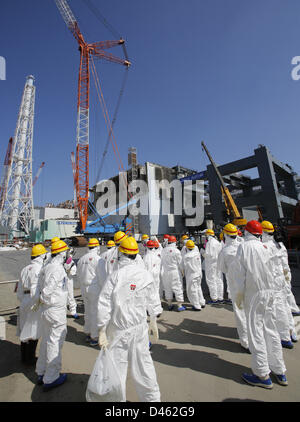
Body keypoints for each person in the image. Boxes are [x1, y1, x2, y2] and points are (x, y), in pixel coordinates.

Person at [96, 236, 162, 402]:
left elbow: (104, 304)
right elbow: (153, 300)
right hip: (140, 330)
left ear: (121, 254)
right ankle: (152, 402)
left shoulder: (115, 277)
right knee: (144, 368)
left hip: (118, 331)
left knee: (117, 370)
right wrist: (153, 320)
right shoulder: (145, 275)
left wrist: (101, 329)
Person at [233, 220, 288, 389]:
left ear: (247, 232)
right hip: (270, 293)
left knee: (255, 332)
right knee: (271, 330)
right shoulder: (268, 246)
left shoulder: (244, 247)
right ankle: (279, 371)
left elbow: (239, 275)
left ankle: (262, 374)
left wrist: (239, 296)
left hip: (254, 294)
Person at [34, 240, 70, 391]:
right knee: (55, 342)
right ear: (61, 253)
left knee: (46, 341)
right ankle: (52, 377)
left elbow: (41, 288)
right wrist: (46, 300)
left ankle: (41, 372)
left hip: (46, 310)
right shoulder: (57, 269)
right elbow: (48, 290)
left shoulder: (47, 267)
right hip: (55, 310)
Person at [261, 221, 297, 347]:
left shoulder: (265, 246)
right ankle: (291, 331)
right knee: (285, 305)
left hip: (274, 280)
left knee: (278, 308)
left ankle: (284, 337)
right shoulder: (279, 244)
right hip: (282, 278)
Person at [217, 224, 249, 352]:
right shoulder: (244, 246)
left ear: (225, 234)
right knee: (252, 312)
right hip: (249, 283)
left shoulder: (224, 251)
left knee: (241, 313)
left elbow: (222, 269)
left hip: (236, 286)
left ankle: (246, 341)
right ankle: (256, 338)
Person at [17, 244, 47, 365]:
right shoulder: (39, 269)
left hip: (24, 300)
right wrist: (37, 302)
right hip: (33, 301)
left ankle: (24, 357)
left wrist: (22, 300)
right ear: (41, 256)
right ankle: (30, 358)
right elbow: (36, 288)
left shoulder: (25, 269)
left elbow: (19, 289)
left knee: (24, 328)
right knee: (34, 330)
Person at [77, 238, 102, 346]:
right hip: (94, 288)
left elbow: (78, 274)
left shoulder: (81, 259)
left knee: (87, 311)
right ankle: (94, 336)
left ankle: (87, 332)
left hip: (84, 288)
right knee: (95, 312)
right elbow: (102, 276)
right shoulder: (98, 259)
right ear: (97, 247)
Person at [160, 235, 185, 311]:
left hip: (165, 272)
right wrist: (182, 271)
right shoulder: (176, 251)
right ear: (174, 242)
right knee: (177, 287)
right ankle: (179, 305)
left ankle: (169, 304)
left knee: (167, 288)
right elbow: (180, 263)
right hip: (175, 272)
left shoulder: (163, 250)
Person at [201, 229, 224, 304]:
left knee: (211, 280)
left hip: (211, 264)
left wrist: (202, 253)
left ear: (208, 235)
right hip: (218, 263)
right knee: (219, 279)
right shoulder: (217, 242)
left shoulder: (209, 243)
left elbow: (209, 255)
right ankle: (220, 297)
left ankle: (214, 298)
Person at [182, 240, 205, 311]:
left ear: (187, 248)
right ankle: (202, 302)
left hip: (192, 275)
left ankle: (197, 305)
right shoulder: (197, 253)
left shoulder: (186, 256)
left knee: (193, 290)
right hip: (199, 274)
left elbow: (182, 266)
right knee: (198, 288)